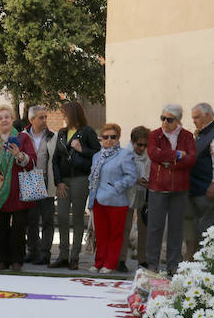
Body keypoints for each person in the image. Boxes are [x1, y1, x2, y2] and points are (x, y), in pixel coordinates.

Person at [0, 104, 37, 271]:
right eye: (0, 118)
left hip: (19, 189)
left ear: (12, 119)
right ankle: (2, 260)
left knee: (19, 227)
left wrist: (20, 155)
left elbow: (33, 161)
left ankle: (17, 260)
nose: (4, 120)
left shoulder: (23, 138)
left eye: (7, 117)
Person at [146, 103, 197, 275]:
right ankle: (152, 265)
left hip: (180, 188)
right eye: (162, 118)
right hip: (158, 187)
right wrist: (176, 155)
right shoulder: (154, 135)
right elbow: (153, 154)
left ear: (178, 120)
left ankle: (173, 265)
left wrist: (168, 161)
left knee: (176, 228)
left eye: (169, 119)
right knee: (155, 227)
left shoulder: (188, 136)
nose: (165, 122)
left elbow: (191, 159)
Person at [51, 101, 100, 270]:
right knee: (63, 217)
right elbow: (55, 159)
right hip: (64, 181)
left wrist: (81, 149)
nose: (63, 117)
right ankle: (62, 255)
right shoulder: (62, 133)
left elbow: (97, 153)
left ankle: (74, 257)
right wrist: (59, 182)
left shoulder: (87, 131)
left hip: (80, 179)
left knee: (78, 218)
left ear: (73, 114)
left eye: (65, 114)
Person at [87, 124, 137, 273]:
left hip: (116, 201)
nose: (109, 140)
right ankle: (99, 262)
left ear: (118, 138)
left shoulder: (125, 154)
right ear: (101, 138)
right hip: (97, 200)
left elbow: (132, 176)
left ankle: (110, 264)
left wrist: (116, 187)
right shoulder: (97, 156)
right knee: (101, 234)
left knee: (115, 234)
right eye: (105, 137)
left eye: (113, 137)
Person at [186, 102, 214, 257]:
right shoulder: (202, 134)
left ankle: (209, 265)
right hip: (198, 190)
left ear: (208, 115)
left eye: (197, 117)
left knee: (209, 230)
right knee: (200, 230)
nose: (194, 121)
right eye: (193, 118)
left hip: (209, 191)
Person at [23, 106, 57, 265]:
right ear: (32, 120)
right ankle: (33, 251)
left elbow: (58, 160)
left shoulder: (53, 136)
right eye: (41, 117)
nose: (44, 120)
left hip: (46, 180)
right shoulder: (22, 136)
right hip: (29, 179)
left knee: (48, 219)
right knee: (31, 220)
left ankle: (45, 253)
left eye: (45, 117)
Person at [120, 126, 151, 271]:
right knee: (125, 227)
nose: (142, 148)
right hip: (128, 193)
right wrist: (136, 180)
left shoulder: (149, 155)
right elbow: (121, 174)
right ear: (133, 142)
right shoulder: (125, 154)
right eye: (139, 145)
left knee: (143, 228)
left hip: (144, 193)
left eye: (145, 145)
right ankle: (121, 259)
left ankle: (142, 259)